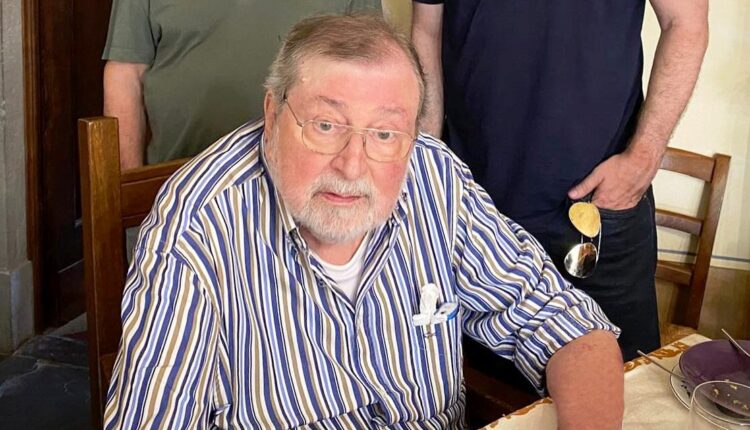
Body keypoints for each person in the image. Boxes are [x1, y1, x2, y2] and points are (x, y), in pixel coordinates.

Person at [104, 15, 624, 429]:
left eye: (384, 134)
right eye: (326, 125)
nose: (352, 167)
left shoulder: (433, 176)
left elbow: (564, 323)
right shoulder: (197, 224)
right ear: (273, 114)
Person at [411, 0, 709, 360]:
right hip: (475, 210)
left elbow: (686, 23)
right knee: (478, 385)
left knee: (619, 376)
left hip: (598, 212)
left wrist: (643, 158)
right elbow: (426, 32)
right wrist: (426, 163)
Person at [102, 0, 380, 169]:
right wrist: (127, 193)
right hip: (176, 188)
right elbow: (126, 74)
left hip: (304, 190)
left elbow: (370, 76)